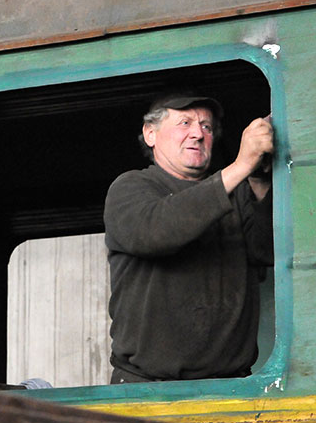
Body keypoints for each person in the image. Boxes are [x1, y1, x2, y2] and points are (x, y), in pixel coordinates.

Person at [103, 93, 274, 383]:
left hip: (231, 388)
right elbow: (156, 232)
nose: (198, 133)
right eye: (185, 122)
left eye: (207, 127)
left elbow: (268, 251)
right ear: (150, 134)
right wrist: (241, 165)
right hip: (147, 389)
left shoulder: (238, 192)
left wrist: (258, 179)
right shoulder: (131, 187)